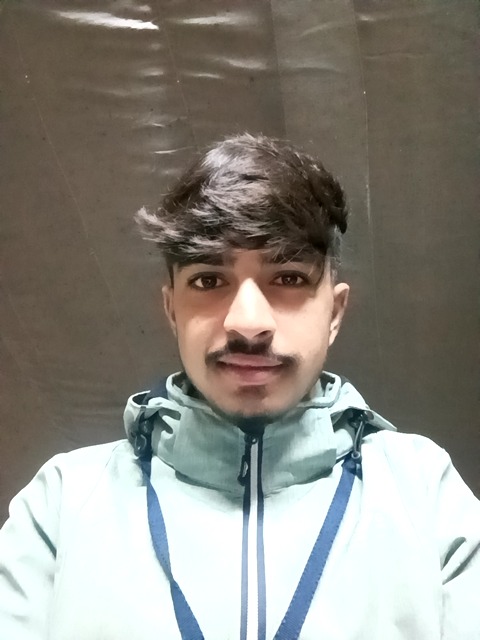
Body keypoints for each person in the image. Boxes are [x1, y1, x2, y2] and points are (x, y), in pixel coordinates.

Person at [0, 134, 479, 640]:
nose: (248, 323)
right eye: (209, 280)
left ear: (335, 313)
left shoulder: (425, 493)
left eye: (289, 278)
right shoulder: (62, 504)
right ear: (172, 310)